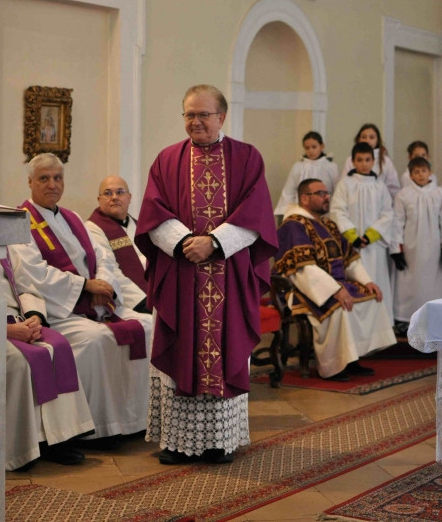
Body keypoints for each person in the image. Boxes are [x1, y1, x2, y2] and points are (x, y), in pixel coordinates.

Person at [135, 84, 277, 465]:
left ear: (221, 117)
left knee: (223, 351)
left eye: (203, 114)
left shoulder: (247, 158)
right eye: (189, 114)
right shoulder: (167, 160)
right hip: (180, 274)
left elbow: (257, 215)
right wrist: (186, 243)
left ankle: (219, 442)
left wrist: (213, 243)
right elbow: (152, 214)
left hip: (228, 274)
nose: (195, 122)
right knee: (178, 351)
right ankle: (176, 442)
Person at [0, 179, 95, 471]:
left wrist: (34, 317)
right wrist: (4, 330)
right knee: (19, 361)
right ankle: (22, 448)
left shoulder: (3, 243)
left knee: (59, 346)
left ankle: (60, 438)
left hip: (19, 321)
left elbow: (24, 286)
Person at [14, 153, 152, 444]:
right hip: (61, 312)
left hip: (96, 304)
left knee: (149, 326)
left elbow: (103, 258)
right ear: (30, 182)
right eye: (44, 178)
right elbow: (33, 274)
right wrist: (86, 286)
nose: (52, 184)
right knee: (95, 339)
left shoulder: (73, 218)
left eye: (57, 178)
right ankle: (101, 427)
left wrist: (104, 284)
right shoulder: (21, 222)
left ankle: (138, 419)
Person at [275, 179, 396, 381]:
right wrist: (334, 290)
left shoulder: (328, 224)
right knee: (340, 307)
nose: (327, 197)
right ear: (304, 198)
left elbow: (349, 259)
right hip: (304, 289)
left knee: (371, 298)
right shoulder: (293, 225)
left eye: (327, 193)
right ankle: (333, 366)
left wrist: (367, 282)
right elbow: (303, 269)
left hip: (335, 284)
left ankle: (351, 357)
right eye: (320, 193)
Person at [330, 141, 396, 323]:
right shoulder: (345, 184)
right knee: (356, 279)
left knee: (376, 280)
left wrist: (370, 235)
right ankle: (355, 322)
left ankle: (380, 323)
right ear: (353, 161)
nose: (364, 164)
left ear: (373, 161)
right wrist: (353, 237)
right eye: (359, 160)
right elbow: (337, 210)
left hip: (374, 247)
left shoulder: (380, 186)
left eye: (368, 160)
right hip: (352, 245)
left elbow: (387, 213)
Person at [391, 157, 442, 334]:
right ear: (410, 175)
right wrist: (396, 250)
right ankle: (405, 319)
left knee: (433, 283)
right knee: (408, 283)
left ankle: (434, 318)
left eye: (423, 171)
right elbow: (397, 222)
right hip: (410, 248)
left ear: (430, 173)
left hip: (434, 248)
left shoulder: (439, 193)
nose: (420, 175)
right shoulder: (403, 195)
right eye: (416, 172)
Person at [85, 175, 149, 312]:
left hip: (153, 294)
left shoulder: (139, 226)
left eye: (120, 192)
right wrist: (142, 302)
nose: (114, 197)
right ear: (99, 199)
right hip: (130, 303)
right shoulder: (93, 228)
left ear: (129, 198)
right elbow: (110, 270)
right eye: (107, 193)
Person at [273, 131, 339, 218]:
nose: (310, 151)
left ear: (322, 146)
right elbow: (289, 191)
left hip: (324, 212)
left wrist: (333, 211)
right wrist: (284, 212)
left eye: (314, 147)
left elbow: (336, 191)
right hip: (301, 211)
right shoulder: (298, 166)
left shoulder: (331, 167)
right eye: (307, 148)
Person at [341, 123, 401, 199]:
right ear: (358, 139)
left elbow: (393, 189)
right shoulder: (350, 160)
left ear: (377, 140)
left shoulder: (386, 161)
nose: (367, 140)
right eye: (364, 137)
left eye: (371, 137)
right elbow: (344, 183)